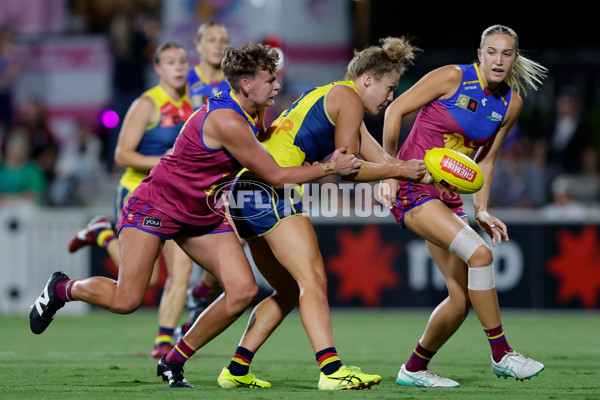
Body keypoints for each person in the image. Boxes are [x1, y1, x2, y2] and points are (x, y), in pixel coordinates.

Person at [28, 43, 361, 389]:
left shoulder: (251, 110)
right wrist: (328, 166)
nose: (277, 85)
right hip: (156, 206)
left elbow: (264, 141)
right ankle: (62, 288)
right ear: (246, 84)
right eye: (270, 79)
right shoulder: (228, 121)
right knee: (126, 300)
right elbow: (275, 175)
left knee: (242, 291)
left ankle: (173, 360)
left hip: (202, 213)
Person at [214, 37, 427, 390]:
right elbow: (349, 168)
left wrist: (402, 168)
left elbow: (374, 156)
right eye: (389, 88)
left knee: (285, 289)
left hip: (242, 191)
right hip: (272, 189)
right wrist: (400, 173)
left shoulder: (331, 94)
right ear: (368, 79)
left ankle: (236, 370)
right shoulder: (348, 99)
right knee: (312, 281)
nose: (390, 98)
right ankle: (332, 371)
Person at [380, 24, 547, 387]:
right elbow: (394, 111)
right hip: (413, 188)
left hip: (448, 197)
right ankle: (503, 354)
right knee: (481, 256)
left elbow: (485, 162)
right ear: (480, 53)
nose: (498, 60)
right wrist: (389, 172)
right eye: (492, 52)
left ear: (515, 58)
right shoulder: (453, 77)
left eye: (506, 54)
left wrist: (482, 210)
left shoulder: (511, 104)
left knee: (459, 301)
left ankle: (413, 369)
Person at [66, 42, 194, 359]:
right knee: (144, 279)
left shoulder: (193, 102)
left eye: (182, 61)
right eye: (170, 62)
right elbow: (121, 154)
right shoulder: (146, 104)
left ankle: (164, 340)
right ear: (158, 68)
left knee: (182, 269)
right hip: (137, 195)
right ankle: (101, 232)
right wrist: (163, 161)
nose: (178, 67)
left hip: (173, 197)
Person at [177, 20, 232, 338]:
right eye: (212, 39)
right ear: (197, 45)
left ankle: (200, 295)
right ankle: (166, 335)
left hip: (222, 178)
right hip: (182, 177)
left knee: (236, 238)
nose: (218, 44)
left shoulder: (235, 84)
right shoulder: (183, 82)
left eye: (224, 38)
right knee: (172, 271)